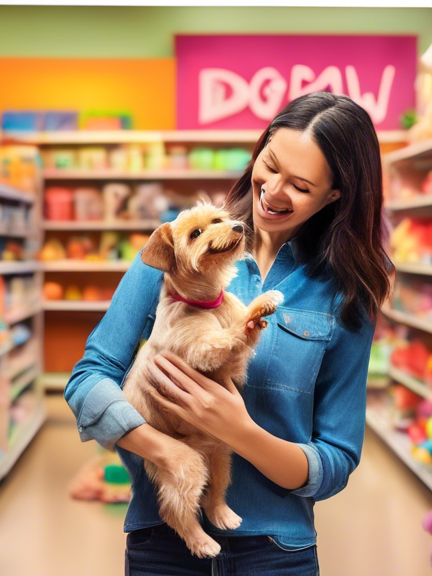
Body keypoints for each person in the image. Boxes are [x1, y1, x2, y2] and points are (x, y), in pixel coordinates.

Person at [64, 91, 391, 575]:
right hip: (164, 543)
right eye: (270, 164)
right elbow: (88, 379)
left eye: (300, 185)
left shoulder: (345, 292)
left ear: (335, 194)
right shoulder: (179, 247)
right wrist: (166, 450)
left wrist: (238, 430)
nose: (274, 191)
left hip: (277, 553)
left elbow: (336, 459)